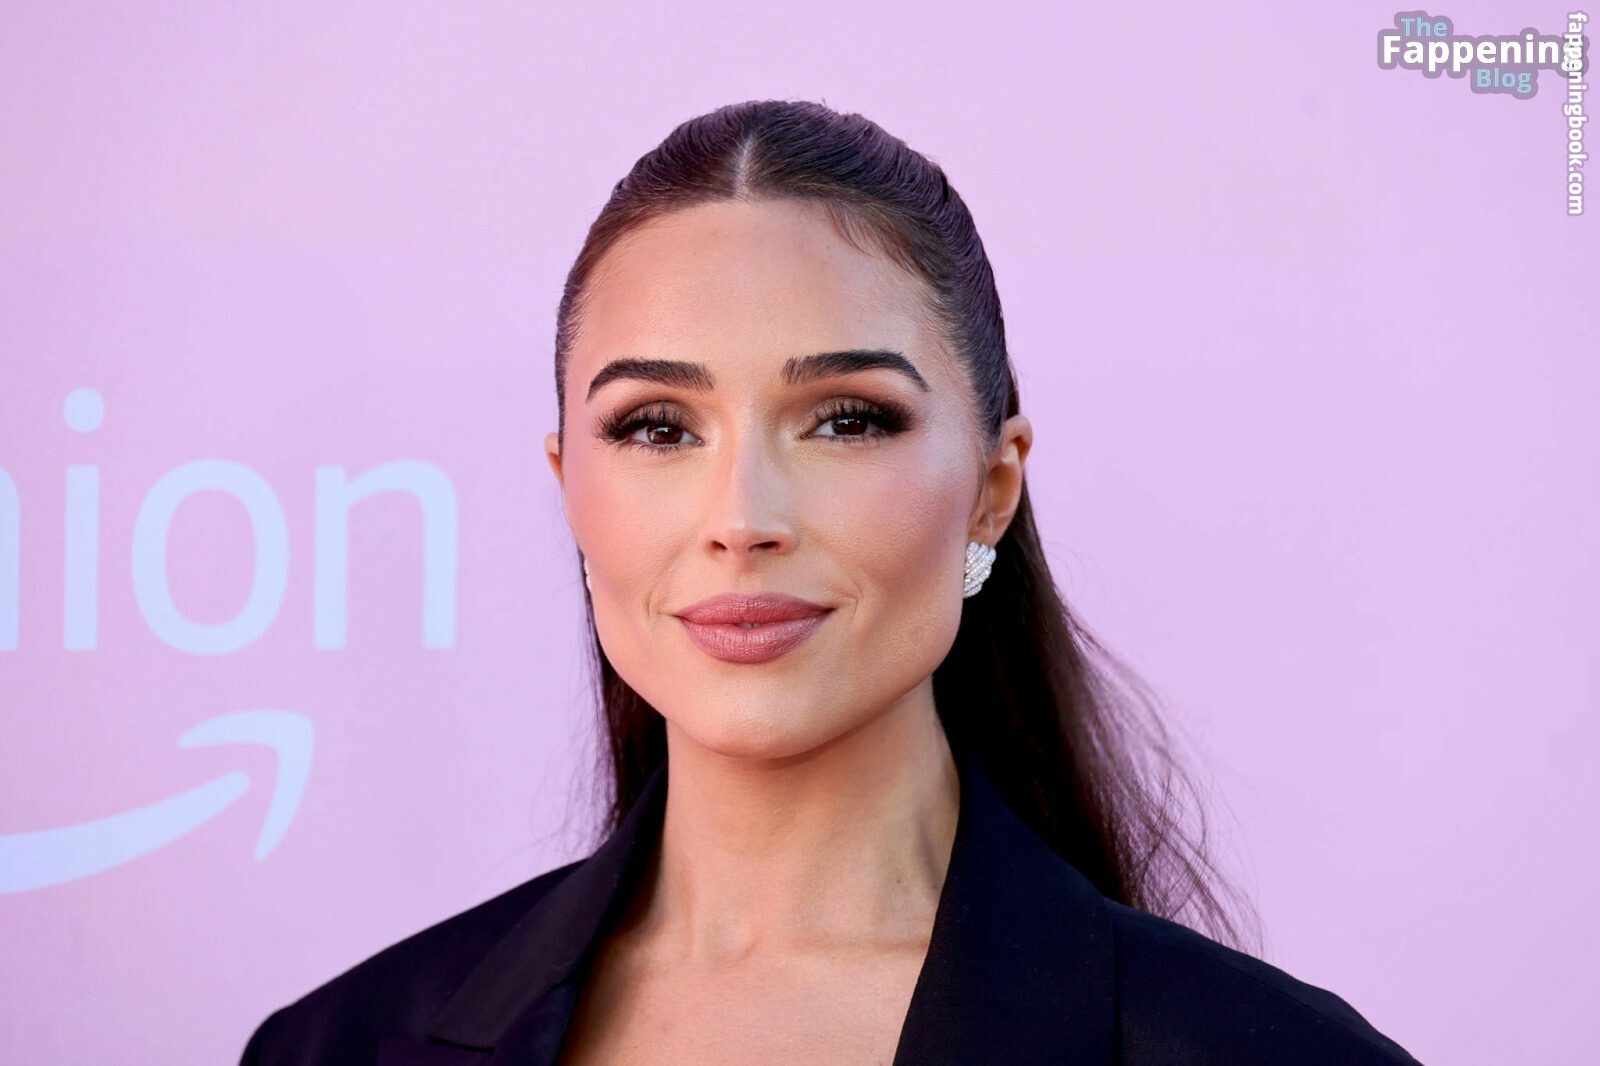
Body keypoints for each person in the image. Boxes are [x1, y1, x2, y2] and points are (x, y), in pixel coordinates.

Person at [240, 99, 1421, 1064]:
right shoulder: (337, 1048)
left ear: (992, 487)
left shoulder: (1268, 1055)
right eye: (657, 427)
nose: (741, 520)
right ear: (568, 487)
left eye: (846, 420)